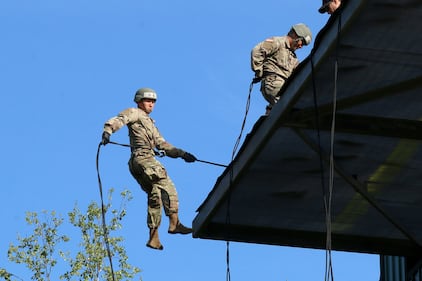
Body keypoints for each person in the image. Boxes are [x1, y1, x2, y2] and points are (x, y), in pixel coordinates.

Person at [101, 87, 197, 250]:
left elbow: (162, 144)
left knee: (155, 195)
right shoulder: (135, 112)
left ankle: (154, 237)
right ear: (139, 101)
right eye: (148, 101)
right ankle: (175, 223)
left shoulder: (150, 124)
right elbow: (121, 119)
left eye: (153, 102)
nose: (151, 104)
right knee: (167, 185)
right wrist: (108, 131)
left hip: (137, 163)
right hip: (144, 158)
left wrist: (182, 154)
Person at [251, 23, 312, 115]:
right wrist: (260, 72)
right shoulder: (277, 42)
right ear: (296, 35)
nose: (301, 46)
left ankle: (271, 112)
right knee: (291, 105)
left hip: (283, 87)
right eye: (301, 42)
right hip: (273, 83)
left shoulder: (293, 57)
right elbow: (257, 51)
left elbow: (299, 73)